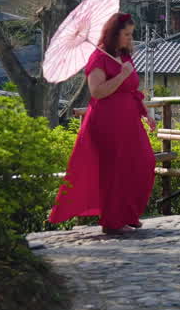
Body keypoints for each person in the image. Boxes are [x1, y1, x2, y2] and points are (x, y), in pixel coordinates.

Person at [48, 13, 156, 234]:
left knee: (143, 162)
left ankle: (128, 213)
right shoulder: (98, 58)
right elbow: (97, 91)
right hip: (106, 121)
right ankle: (114, 219)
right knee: (114, 169)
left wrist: (146, 113)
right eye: (126, 34)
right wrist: (120, 76)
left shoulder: (124, 56)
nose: (130, 38)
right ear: (114, 34)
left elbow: (132, 90)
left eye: (131, 34)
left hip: (129, 122)